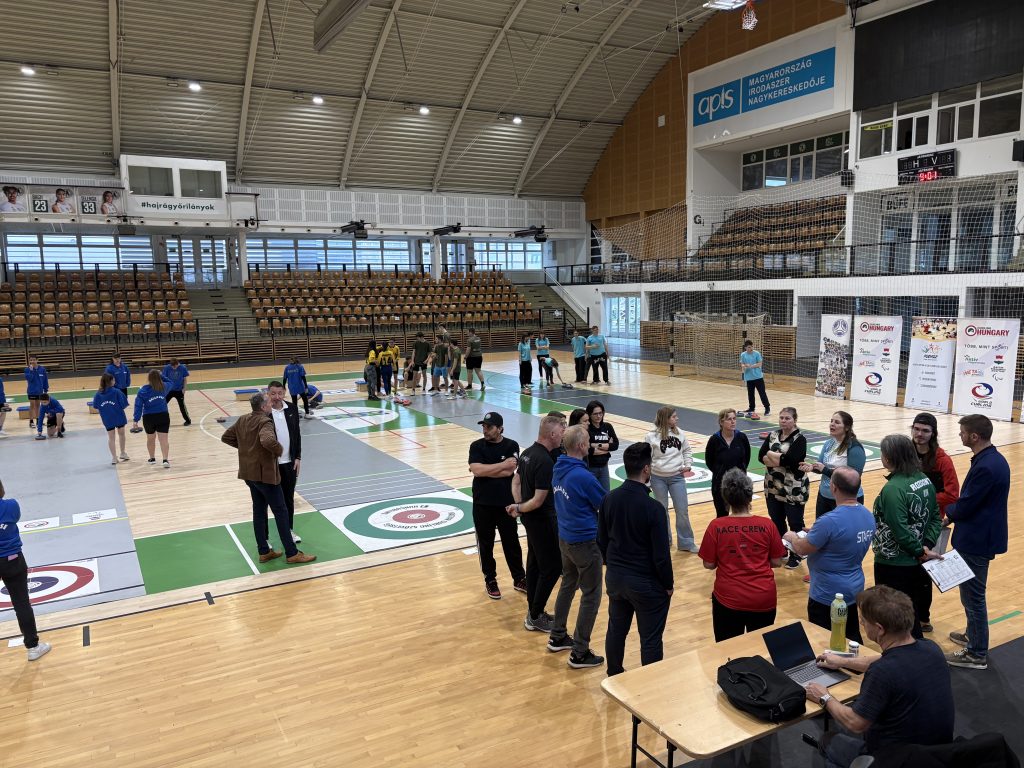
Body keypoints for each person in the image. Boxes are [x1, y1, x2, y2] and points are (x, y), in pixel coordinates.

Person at [805, 586, 954, 768]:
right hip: (937, 754)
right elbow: (885, 658)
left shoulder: (883, 672)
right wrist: (842, 661)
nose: (861, 623)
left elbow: (855, 723)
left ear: (879, 629)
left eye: (863, 621)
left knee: (828, 741)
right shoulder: (931, 648)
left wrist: (824, 697)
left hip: (896, 760)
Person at [600, 442, 674, 676]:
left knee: (616, 630)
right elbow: (661, 556)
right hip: (645, 583)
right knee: (650, 639)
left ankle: (614, 675)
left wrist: (612, 567)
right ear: (646, 469)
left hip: (615, 578)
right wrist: (668, 585)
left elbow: (601, 540)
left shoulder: (609, 498)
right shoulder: (654, 508)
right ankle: (649, 687)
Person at [944, 414, 1010, 670]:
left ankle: (976, 652)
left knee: (973, 597)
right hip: (980, 536)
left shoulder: (985, 466)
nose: (960, 435)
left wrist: (948, 514)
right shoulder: (992, 459)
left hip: (976, 539)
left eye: (962, 432)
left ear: (974, 436)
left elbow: (968, 504)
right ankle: (973, 635)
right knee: (970, 594)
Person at [221, 393, 316, 565]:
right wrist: (279, 450)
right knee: (281, 512)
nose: (271, 403)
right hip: (265, 475)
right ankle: (292, 552)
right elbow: (267, 441)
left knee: (259, 511)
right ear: (264, 407)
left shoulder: (243, 419)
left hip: (249, 474)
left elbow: (226, 437)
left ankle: (264, 551)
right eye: (268, 402)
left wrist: (247, 450)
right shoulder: (265, 421)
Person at [784, 467, 875, 644]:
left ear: (833, 487)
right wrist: (819, 534)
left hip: (827, 593)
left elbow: (802, 548)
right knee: (850, 634)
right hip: (854, 587)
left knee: (824, 640)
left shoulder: (829, 521)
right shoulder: (867, 515)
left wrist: (792, 537)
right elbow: (845, 537)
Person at [699, 467, 786, 641]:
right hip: (763, 598)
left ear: (725, 496)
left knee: (728, 653)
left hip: (728, 600)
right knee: (761, 651)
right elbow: (777, 562)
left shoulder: (716, 526)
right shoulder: (767, 525)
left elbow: (708, 564)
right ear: (749, 495)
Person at [548, 424, 607, 669]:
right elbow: (605, 504)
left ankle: (558, 634)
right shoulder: (583, 476)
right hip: (584, 541)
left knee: (568, 584)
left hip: (566, 539)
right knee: (591, 595)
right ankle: (580, 652)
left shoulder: (558, 468)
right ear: (583, 446)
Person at [871, 434, 942, 639]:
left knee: (895, 620)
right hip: (918, 559)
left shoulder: (893, 488)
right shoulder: (923, 479)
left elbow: (899, 529)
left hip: (894, 563)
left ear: (890, 458)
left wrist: (920, 551)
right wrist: (926, 546)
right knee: (910, 614)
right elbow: (936, 518)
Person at [507, 414, 566, 633]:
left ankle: (533, 610)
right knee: (552, 567)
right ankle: (535, 615)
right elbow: (540, 500)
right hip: (542, 520)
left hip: (531, 519)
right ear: (552, 434)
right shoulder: (545, 461)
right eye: (561, 432)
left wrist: (519, 505)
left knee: (533, 563)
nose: (563, 436)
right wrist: (521, 507)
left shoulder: (528, 453)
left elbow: (516, 481)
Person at [909, 412, 960, 633]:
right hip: (907, 521)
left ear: (933, 433)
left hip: (931, 524)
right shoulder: (906, 453)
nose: (919, 434)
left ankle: (922, 617)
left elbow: (952, 495)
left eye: (925, 431)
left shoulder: (942, 460)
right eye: (916, 429)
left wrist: (920, 496)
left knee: (924, 572)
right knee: (905, 570)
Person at [468, 412, 525, 599]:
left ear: (500, 428)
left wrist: (486, 470)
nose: (485, 430)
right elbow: (477, 470)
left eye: (489, 427)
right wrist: (500, 466)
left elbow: (509, 471)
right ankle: (490, 580)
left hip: (506, 504)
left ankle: (519, 578)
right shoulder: (476, 446)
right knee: (486, 545)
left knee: (512, 543)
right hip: (482, 504)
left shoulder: (511, 445)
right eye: (483, 426)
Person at [0, 479, 52, 661]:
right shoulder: (11, 506)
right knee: (21, 603)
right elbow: (14, 518)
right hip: (12, 560)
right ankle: (33, 647)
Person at [758, 406, 809, 569]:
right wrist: (780, 459)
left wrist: (772, 456)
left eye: (787, 418)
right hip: (773, 486)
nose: (783, 421)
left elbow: (791, 461)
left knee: (795, 522)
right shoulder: (773, 435)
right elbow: (760, 456)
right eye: (781, 417)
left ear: (795, 420)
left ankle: (797, 553)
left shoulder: (800, 439)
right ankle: (782, 549)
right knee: (777, 520)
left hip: (792, 488)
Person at [645, 406, 697, 552]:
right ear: (665, 419)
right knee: (661, 511)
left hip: (677, 477)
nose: (677, 418)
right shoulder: (651, 436)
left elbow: (687, 450)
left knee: (682, 510)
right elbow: (647, 458)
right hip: (657, 478)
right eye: (674, 417)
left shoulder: (680, 433)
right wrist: (647, 480)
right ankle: (664, 541)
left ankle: (686, 542)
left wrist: (688, 464)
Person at [800, 411, 866, 519]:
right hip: (824, 495)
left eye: (837, 422)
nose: (832, 424)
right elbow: (821, 466)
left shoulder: (855, 448)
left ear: (847, 427)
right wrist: (812, 467)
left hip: (846, 500)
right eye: (831, 421)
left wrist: (825, 470)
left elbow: (853, 478)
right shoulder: (829, 443)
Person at [267, 381, 303, 545]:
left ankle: (288, 531)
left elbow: (297, 435)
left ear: (285, 392)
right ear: (268, 393)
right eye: (273, 393)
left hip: (290, 464)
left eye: (280, 393)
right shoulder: (264, 412)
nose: (277, 397)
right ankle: (265, 538)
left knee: (288, 499)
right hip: (271, 465)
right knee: (268, 502)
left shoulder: (292, 409)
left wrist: (298, 457)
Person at [704, 408, 751, 518]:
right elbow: (709, 461)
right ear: (721, 422)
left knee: (741, 513)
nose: (733, 421)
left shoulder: (742, 437)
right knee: (722, 515)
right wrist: (719, 472)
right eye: (729, 419)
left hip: (740, 484)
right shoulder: (714, 440)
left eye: (734, 419)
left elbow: (746, 458)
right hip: (720, 484)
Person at [132, 369, 171, 468]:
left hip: (149, 418)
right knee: (164, 439)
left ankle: (152, 458)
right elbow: (171, 382)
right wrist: (161, 375)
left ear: (148, 379)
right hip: (163, 416)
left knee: (150, 439)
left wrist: (136, 420)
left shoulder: (143, 391)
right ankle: (165, 460)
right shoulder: (164, 387)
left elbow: (138, 406)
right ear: (159, 378)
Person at [95, 373, 130, 465]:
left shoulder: (98, 393)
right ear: (110, 381)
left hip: (107, 418)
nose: (115, 381)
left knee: (111, 437)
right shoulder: (117, 391)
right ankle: (122, 453)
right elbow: (124, 404)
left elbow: (95, 406)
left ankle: (114, 457)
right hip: (119, 416)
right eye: (114, 380)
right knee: (121, 434)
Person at [585, 400, 619, 492]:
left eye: (600, 413)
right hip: (590, 467)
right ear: (589, 415)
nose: (599, 416)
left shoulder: (607, 427)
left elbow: (615, 445)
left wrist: (596, 445)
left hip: (604, 467)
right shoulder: (587, 429)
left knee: (606, 494)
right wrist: (607, 447)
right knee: (591, 494)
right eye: (595, 414)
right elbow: (588, 451)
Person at [739, 339, 770, 416]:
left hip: (758, 377)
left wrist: (751, 366)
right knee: (750, 394)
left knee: (762, 393)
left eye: (751, 346)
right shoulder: (743, 355)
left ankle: (767, 408)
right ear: (745, 348)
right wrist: (744, 366)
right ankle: (751, 408)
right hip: (749, 378)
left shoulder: (757, 354)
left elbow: (760, 364)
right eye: (749, 347)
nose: (751, 348)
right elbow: (742, 364)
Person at [161, 358, 191, 426]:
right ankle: (161, 421)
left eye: (175, 366)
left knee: (182, 407)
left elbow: (185, 379)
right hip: (169, 391)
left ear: (178, 364)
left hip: (179, 391)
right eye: (172, 366)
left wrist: (184, 389)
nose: (174, 368)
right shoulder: (166, 368)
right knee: (162, 405)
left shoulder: (183, 367)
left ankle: (188, 420)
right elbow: (163, 379)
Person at [24, 355, 48, 429]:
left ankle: (38, 421)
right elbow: (29, 379)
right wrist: (31, 371)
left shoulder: (42, 369)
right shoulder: (27, 369)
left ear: (37, 360)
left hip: (40, 391)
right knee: (32, 405)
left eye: (34, 360)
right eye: (31, 360)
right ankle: (31, 422)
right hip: (31, 391)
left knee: (38, 406)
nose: (32, 362)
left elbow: (45, 380)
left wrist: (46, 389)